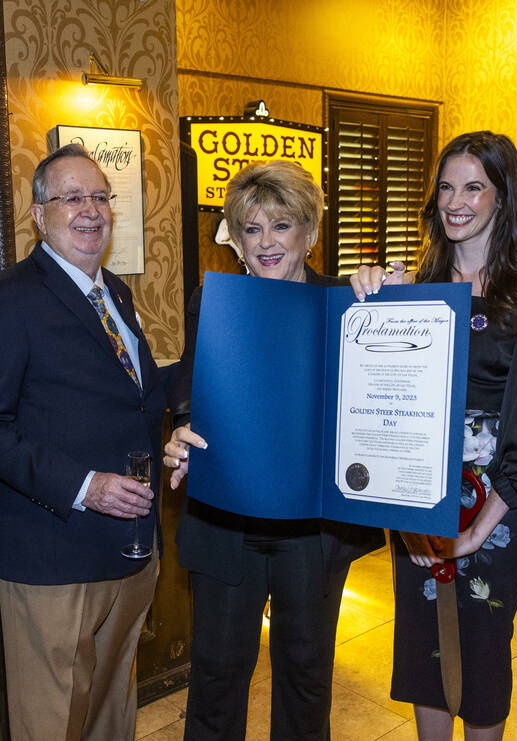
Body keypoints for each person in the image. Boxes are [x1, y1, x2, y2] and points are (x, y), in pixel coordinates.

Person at [351, 131, 517, 740]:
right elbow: (378, 400)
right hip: (420, 494)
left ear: (503, 196)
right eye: (446, 186)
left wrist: (476, 528)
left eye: (473, 186)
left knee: (482, 644)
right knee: (423, 647)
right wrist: (369, 297)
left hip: (499, 501)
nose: (456, 201)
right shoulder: (411, 287)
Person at [163, 161, 385, 741]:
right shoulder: (210, 300)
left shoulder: (349, 305)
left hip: (312, 531)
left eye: (281, 226)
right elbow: (190, 392)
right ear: (235, 240)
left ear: (309, 234)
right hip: (225, 520)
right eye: (252, 229)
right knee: (216, 676)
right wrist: (182, 432)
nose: (266, 243)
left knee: (306, 678)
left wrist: (389, 295)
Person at [0, 143, 168, 741]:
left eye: (101, 196)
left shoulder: (115, 295)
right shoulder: (7, 297)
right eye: (72, 196)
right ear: (38, 214)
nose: (91, 209)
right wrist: (87, 487)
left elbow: (137, 396)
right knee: (51, 722)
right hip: (53, 552)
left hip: (128, 545)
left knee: (110, 710)